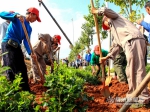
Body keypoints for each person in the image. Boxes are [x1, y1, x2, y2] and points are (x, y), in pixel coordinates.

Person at [91, 6, 150, 108]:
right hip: (135, 41)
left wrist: (96, 11)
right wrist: (106, 57)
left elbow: (105, 10)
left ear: (106, 19)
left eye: (106, 26)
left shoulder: (115, 17)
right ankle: (134, 96)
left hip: (133, 40)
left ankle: (142, 98)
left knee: (136, 69)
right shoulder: (116, 30)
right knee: (131, 70)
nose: (108, 28)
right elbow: (116, 46)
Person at [0, 7, 41, 91]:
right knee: (11, 66)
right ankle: (13, 90)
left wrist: (31, 53)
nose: (35, 20)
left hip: (17, 45)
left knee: (22, 67)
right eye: (35, 17)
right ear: (31, 14)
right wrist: (15, 15)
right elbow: (2, 14)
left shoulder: (29, 28)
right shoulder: (18, 18)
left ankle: (25, 90)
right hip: (8, 43)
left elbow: (26, 41)